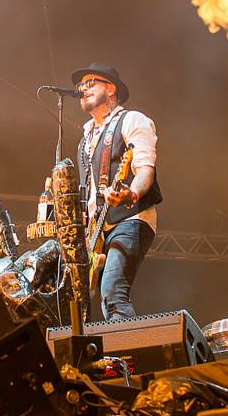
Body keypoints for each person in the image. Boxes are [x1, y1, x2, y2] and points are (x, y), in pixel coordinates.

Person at [73, 62, 162, 320]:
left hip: (130, 219)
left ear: (110, 89)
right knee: (88, 306)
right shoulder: (85, 140)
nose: (83, 88)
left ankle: (132, 357)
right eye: (80, 85)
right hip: (97, 229)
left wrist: (131, 194)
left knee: (113, 292)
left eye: (91, 83)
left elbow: (145, 168)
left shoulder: (132, 120)